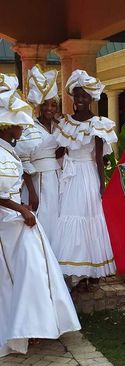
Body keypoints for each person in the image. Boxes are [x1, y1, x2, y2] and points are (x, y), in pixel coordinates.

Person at [0, 74, 81, 357]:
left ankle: (37, 323)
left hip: (15, 215)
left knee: (37, 258)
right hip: (6, 220)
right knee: (32, 260)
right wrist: (22, 208)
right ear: (7, 127)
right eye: (17, 125)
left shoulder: (7, 149)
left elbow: (19, 173)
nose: (22, 128)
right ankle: (28, 325)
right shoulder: (4, 151)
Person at [52, 69, 117, 288]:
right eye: (77, 95)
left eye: (85, 96)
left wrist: (102, 185)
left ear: (91, 99)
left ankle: (92, 269)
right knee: (71, 216)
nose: (80, 99)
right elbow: (59, 153)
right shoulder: (65, 123)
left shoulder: (98, 124)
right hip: (70, 177)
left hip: (88, 175)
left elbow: (99, 158)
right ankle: (75, 271)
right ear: (73, 97)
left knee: (90, 218)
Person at [15, 65, 61, 244]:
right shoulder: (29, 128)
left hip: (58, 178)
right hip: (38, 180)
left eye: (53, 104)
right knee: (42, 216)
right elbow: (24, 160)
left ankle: (58, 260)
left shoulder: (59, 126)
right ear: (39, 106)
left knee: (58, 218)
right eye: (45, 104)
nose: (50, 108)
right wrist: (32, 192)